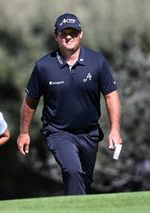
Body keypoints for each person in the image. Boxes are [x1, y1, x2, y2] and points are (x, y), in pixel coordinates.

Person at [17, 13, 123, 195]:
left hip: (89, 133)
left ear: (81, 34)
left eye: (73, 32)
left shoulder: (97, 62)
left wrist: (115, 129)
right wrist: (24, 132)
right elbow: (30, 101)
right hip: (58, 132)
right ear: (56, 36)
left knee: (83, 182)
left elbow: (111, 96)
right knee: (73, 171)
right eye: (63, 32)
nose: (68, 36)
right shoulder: (44, 66)